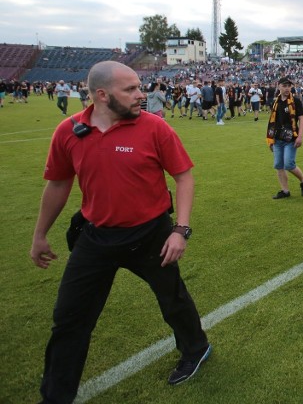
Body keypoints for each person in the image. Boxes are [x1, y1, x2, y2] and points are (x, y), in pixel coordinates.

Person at [29, 61, 211, 403]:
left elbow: (183, 176)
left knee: (173, 299)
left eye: (138, 87)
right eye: (130, 89)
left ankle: (196, 348)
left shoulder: (155, 128)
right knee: (69, 319)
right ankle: (55, 396)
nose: (140, 95)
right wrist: (40, 234)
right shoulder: (68, 132)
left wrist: (180, 231)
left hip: (151, 235)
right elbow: (58, 184)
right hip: (95, 237)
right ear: (101, 95)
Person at [266, 76, 303, 199]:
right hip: (277, 139)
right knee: (278, 165)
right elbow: (273, 122)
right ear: (278, 86)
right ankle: (285, 191)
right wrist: (270, 140)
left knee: (289, 164)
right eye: (284, 86)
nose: (287, 88)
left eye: (288, 86)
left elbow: (301, 119)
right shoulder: (276, 101)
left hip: (291, 138)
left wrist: (300, 136)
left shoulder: (295, 101)